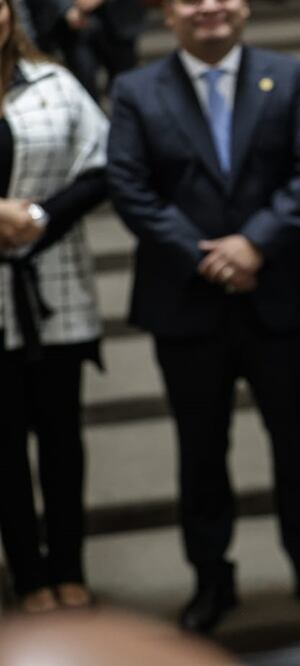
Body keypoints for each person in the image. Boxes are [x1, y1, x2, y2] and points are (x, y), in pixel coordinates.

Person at [106, 0, 300, 634]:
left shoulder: (291, 75)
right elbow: (129, 186)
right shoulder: (137, 89)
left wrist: (255, 243)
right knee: (200, 448)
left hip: (281, 291)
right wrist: (205, 256)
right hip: (184, 299)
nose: (211, 8)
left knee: (298, 440)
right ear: (167, 14)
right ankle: (211, 580)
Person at [0, 0, 109, 614]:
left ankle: (68, 564)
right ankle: (28, 573)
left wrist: (38, 217)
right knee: (4, 446)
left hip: (53, 287)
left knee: (62, 439)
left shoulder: (56, 81)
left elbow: (101, 167)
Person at [31, 0, 145, 100]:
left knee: (125, 79)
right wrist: (66, 7)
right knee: (85, 82)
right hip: (74, 25)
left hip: (119, 16)